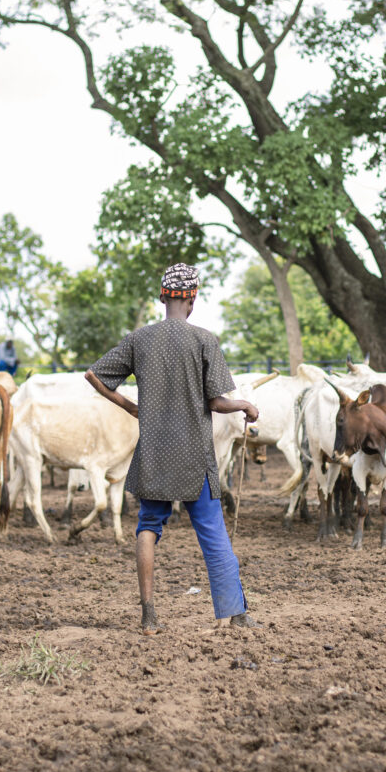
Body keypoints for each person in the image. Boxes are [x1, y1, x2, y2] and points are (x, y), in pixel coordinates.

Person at [84, 262, 260, 635]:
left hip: (153, 453)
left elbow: (93, 375)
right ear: (192, 299)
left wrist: (131, 407)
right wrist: (244, 404)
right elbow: (216, 402)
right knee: (212, 530)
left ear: (163, 297)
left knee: (148, 526)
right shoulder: (204, 340)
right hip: (196, 455)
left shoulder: (139, 339)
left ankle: (149, 617)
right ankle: (235, 614)